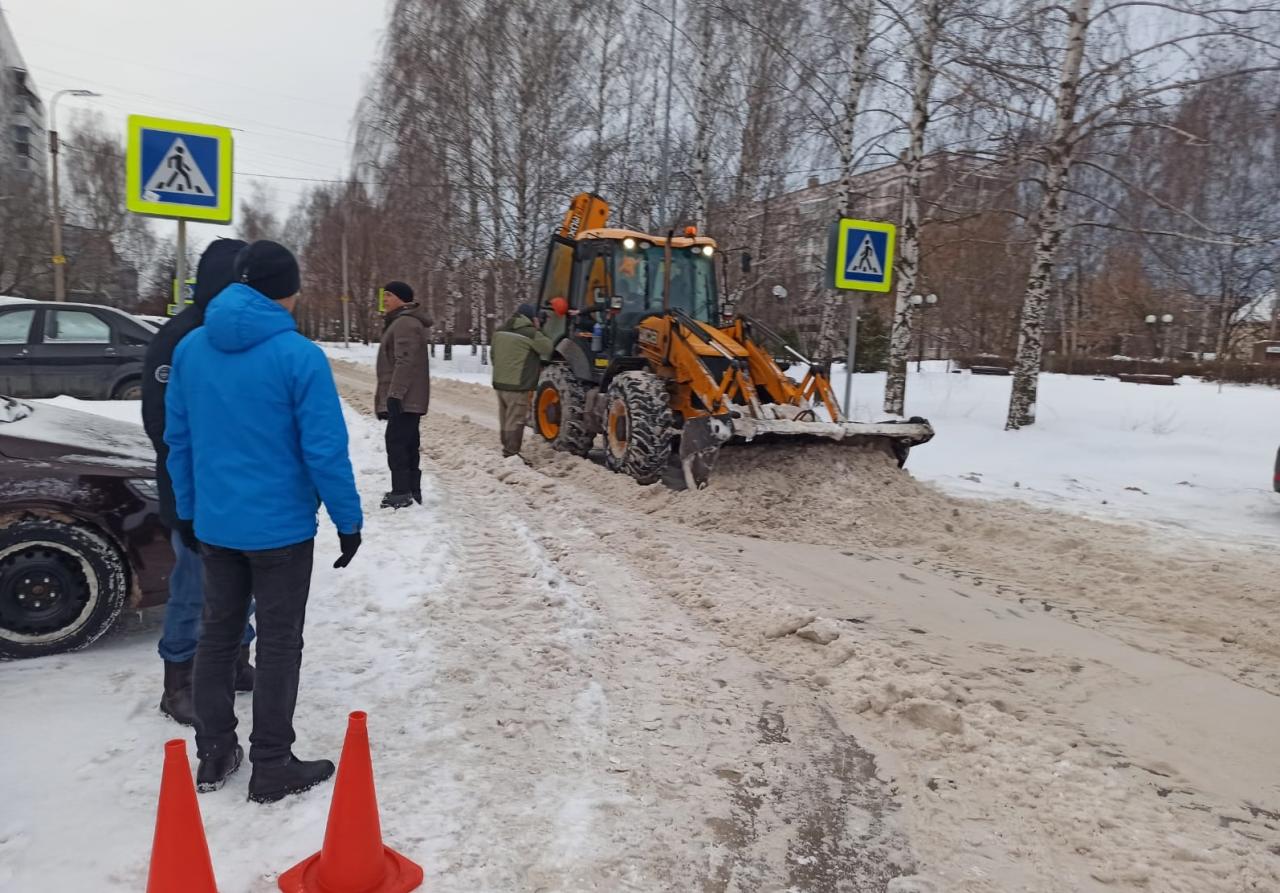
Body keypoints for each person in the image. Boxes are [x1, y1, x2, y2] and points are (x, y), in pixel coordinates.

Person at [166, 240, 363, 803]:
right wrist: (348, 521)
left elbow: (178, 440)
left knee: (217, 636)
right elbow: (324, 451)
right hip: (282, 532)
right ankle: (272, 764)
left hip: (216, 526)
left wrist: (187, 510)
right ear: (287, 290)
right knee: (278, 643)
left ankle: (214, 753)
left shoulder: (191, 349)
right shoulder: (298, 356)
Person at [142, 238, 256, 727]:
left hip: (238, 491)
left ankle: (232, 660)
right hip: (191, 491)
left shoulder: (233, 332)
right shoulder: (180, 336)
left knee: (240, 582)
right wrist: (192, 488)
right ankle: (179, 681)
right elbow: (161, 423)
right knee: (194, 585)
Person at [374, 281, 431, 509]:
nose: (384, 299)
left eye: (388, 295)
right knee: (407, 443)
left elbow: (404, 361)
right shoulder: (402, 322)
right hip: (409, 397)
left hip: (405, 398)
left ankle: (401, 492)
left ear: (401, 298)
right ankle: (411, 490)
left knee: (397, 443)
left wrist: (395, 395)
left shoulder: (405, 323)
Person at [490, 302, 553, 458]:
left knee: (505, 418)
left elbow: (493, 356)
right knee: (516, 420)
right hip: (518, 386)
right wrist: (539, 328)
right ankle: (511, 454)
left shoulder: (500, 331)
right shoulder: (530, 333)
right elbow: (547, 348)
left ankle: (507, 449)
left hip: (500, 383)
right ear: (531, 318)